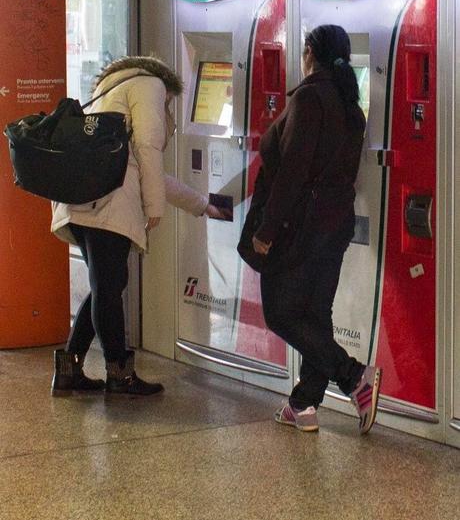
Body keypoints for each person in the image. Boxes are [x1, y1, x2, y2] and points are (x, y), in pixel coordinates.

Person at [50, 55, 221, 397]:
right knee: (109, 288)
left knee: (106, 285)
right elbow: (147, 150)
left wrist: (200, 204)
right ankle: (120, 374)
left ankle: (69, 369)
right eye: (170, 103)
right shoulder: (151, 86)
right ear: (167, 87)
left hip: (85, 202)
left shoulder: (112, 85)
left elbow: (137, 164)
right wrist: (155, 207)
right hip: (108, 206)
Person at [252, 25, 382, 434]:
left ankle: (353, 376)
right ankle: (304, 405)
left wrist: (268, 229)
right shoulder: (350, 105)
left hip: (301, 227)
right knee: (314, 315)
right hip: (334, 223)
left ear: (309, 52)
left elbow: (292, 171)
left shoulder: (310, 97)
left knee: (279, 313)